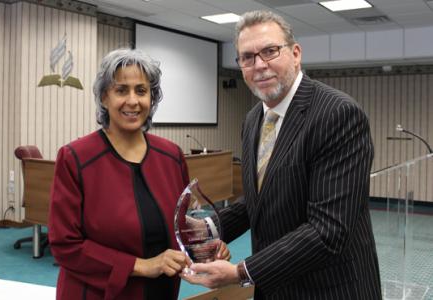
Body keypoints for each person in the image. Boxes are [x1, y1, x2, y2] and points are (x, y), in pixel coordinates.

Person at [182, 10, 382, 299]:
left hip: (330, 290)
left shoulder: (337, 114)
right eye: (247, 57)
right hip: (275, 289)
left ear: (296, 53)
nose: (259, 65)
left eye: (270, 51)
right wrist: (207, 227)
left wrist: (242, 272)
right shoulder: (253, 120)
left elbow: (328, 230)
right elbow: (260, 201)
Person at [48, 48, 229, 300]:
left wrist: (204, 247)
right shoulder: (76, 158)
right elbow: (65, 246)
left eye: (141, 91)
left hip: (161, 293)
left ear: (151, 99)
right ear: (103, 97)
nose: (132, 101)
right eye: (121, 90)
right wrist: (142, 265)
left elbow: (179, 224)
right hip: (97, 294)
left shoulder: (171, 156)